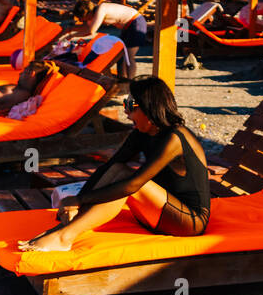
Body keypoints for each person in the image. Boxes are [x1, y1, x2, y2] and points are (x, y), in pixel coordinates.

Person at [18, 76, 209, 252]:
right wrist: (77, 203)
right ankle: (64, 230)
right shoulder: (141, 133)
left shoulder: (175, 138)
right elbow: (109, 167)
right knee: (118, 169)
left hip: (188, 222)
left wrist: (81, 200)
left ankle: (64, 237)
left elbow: (134, 184)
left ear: (149, 107)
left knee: (128, 179)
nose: (125, 111)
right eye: (126, 103)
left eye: (131, 105)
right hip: (159, 212)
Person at [57, 0, 148, 50]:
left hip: (136, 22)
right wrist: (70, 29)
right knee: (120, 54)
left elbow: (91, 31)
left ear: (87, 13)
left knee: (129, 55)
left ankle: (128, 81)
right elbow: (86, 26)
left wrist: (71, 35)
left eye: (82, 18)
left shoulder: (101, 9)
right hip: (128, 26)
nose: (82, 20)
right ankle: (122, 80)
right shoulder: (94, 12)